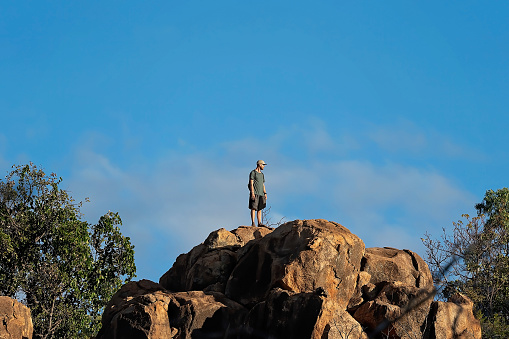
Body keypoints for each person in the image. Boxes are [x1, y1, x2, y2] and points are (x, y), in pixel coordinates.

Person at [249, 160, 267, 227]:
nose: (264, 166)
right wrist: (252, 193)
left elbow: (263, 184)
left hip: (261, 194)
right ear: (259, 164)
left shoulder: (262, 174)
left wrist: (265, 193)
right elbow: (251, 183)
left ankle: (259, 223)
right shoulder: (253, 173)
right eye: (263, 165)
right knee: (253, 208)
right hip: (255, 193)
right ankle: (253, 222)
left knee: (260, 209)